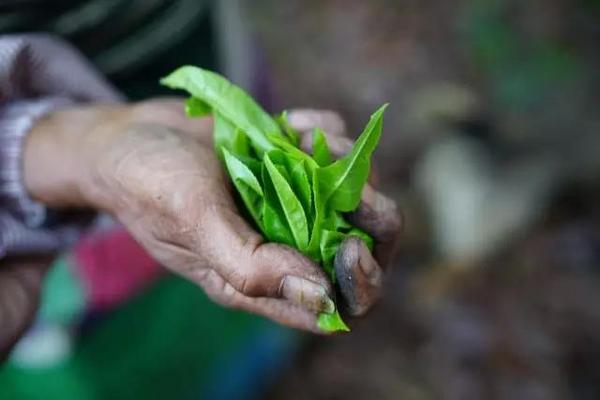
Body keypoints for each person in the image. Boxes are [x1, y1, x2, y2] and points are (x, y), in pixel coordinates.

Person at [0, 33, 401, 361]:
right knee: (118, 333)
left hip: (202, 60)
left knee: (224, 307)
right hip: (66, 244)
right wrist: (76, 148)